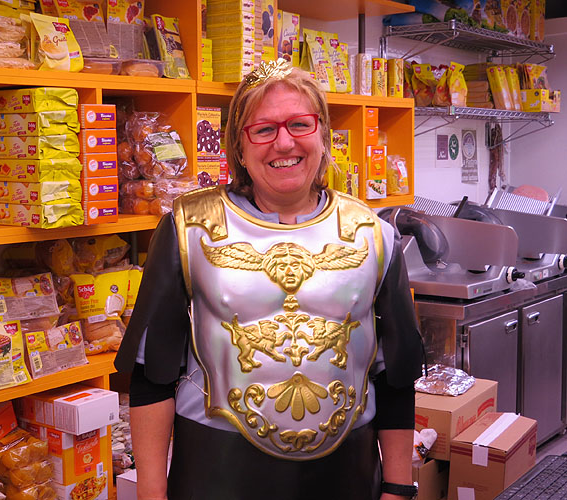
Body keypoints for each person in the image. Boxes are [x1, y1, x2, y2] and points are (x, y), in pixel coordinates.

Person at [115, 58, 424, 500]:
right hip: (217, 472)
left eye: (299, 124)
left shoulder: (374, 236)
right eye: (263, 129)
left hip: (346, 474)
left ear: (323, 135)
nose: (283, 142)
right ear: (239, 148)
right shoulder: (189, 230)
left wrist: (398, 487)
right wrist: (150, 493)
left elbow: (394, 376)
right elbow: (152, 374)